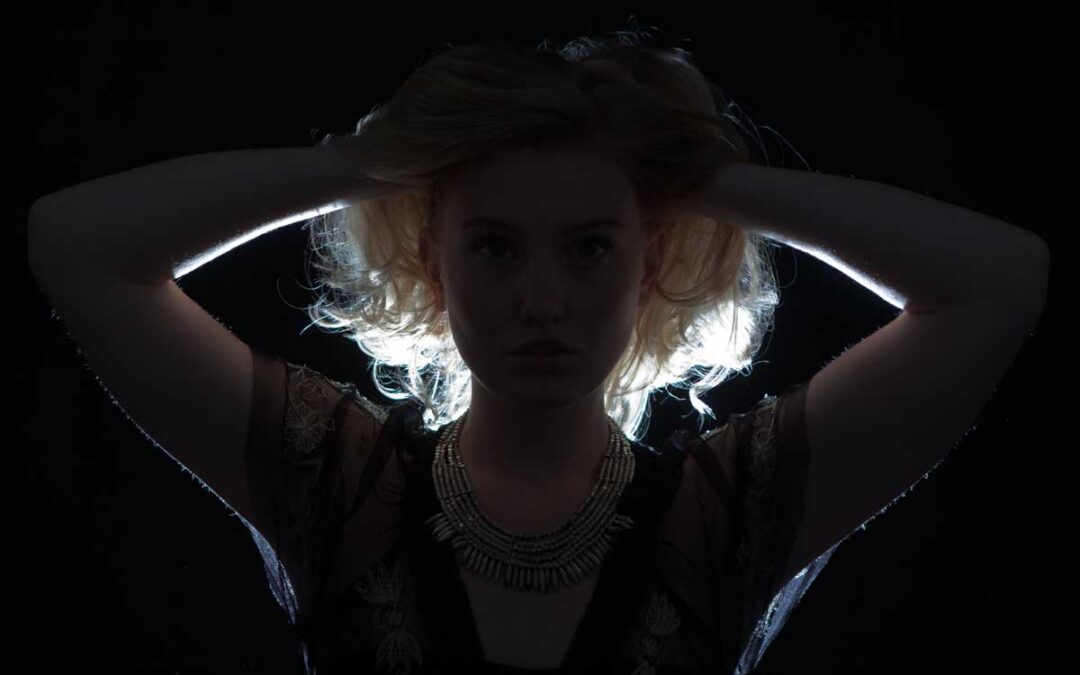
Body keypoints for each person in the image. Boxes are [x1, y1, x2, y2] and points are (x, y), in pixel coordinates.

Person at [31, 23, 1044, 675]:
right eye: (495, 246)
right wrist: (369, 161)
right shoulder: (336, 480)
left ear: (650, 266)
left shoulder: (724, 513)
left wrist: (698, 177)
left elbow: (1001, 281)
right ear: (433, 265)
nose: (543, 301)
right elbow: (75, 247)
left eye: (590, 246)